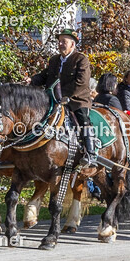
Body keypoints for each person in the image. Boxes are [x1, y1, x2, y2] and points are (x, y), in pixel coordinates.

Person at [30, 27, 96, 164]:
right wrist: (31, 80)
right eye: (59, 41)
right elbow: (44, 76)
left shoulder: (81, 59)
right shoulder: (54, 60)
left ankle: (91, 152)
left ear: (72, 44)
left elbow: (81, 82)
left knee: (82, 118)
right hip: (53, 100)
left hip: (76, 100)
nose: (60, 44)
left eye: (63, 41)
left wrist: (64, 96)